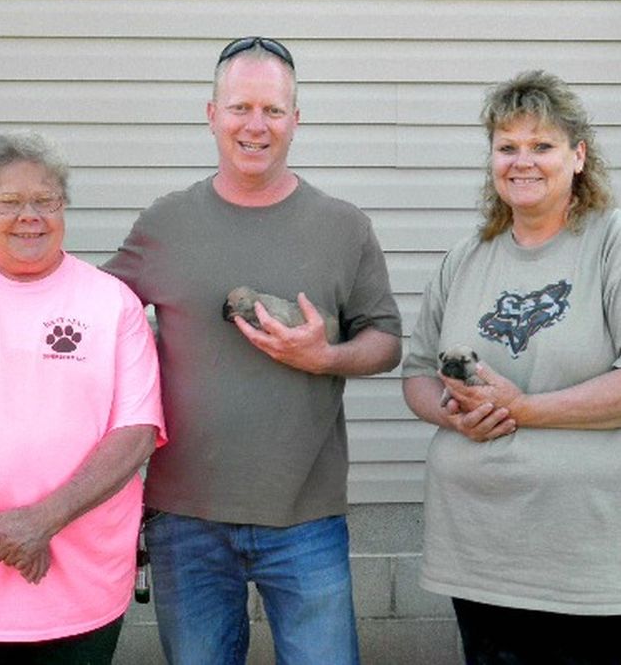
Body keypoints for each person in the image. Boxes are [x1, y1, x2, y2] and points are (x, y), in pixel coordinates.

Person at [103, 36, 402, 664]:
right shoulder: (165, 222)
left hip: (306, 517)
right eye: (240, 108)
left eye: (272, 110)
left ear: (296, 119)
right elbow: (93, 312)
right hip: (184, 516)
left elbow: (386, 342)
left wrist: (326, 358)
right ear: (211, 114)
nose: (256, 125)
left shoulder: (345, 226)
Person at [402, 69, 621, 664]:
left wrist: (524, 409)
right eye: (507, 147)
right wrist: (453, 419)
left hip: (586, 564)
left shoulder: (610, 241)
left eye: (542, 146)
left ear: (578, 157)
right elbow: (417, 373)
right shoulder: (466, 256)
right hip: (477, 553)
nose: (522, 162)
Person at [0, 131, 166, 664]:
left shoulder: (112, 302)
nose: (30, 215)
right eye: (8, 201)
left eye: (45, 200)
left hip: (83, 585)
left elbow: (136, 432)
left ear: (63, 207)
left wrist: (41, 520)